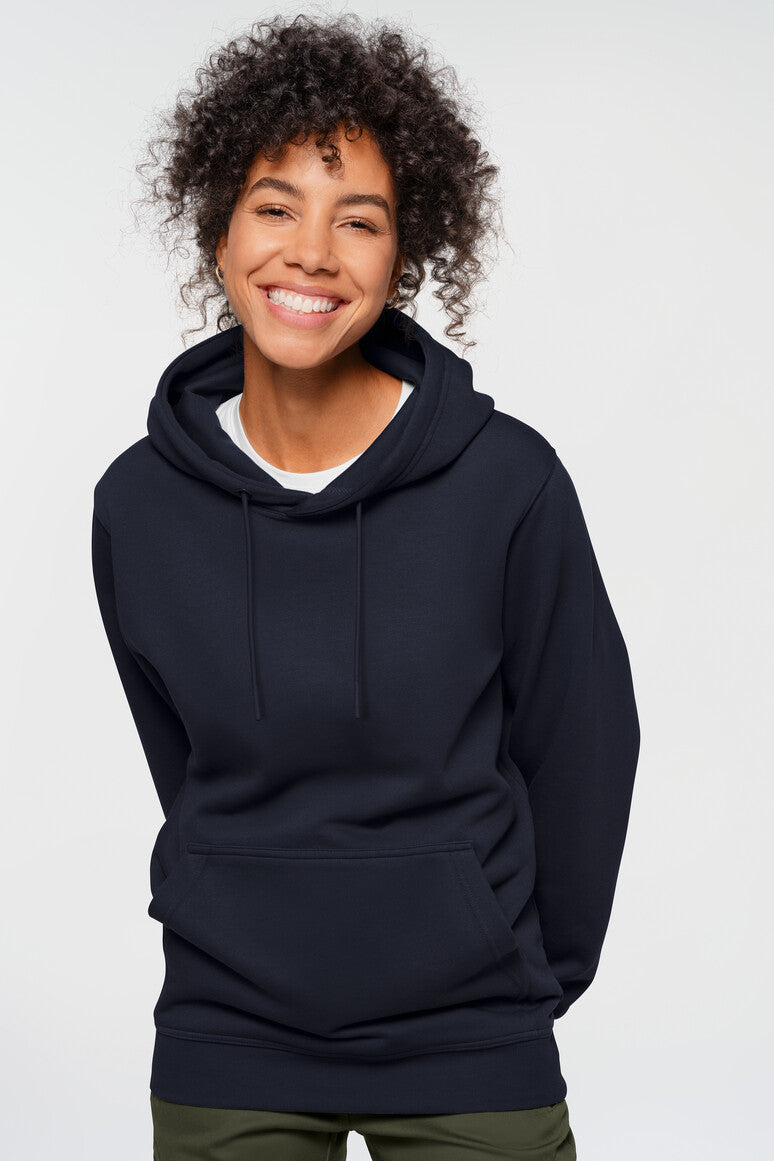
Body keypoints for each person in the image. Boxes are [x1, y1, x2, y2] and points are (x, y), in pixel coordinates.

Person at [91, 13, 640, 1160]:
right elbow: (185, 765)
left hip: (469, 1034)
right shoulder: (139, 504)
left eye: (359, 220)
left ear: (403, 258)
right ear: (220, 230)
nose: (311, 253)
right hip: (229, 1032)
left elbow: (585, 746)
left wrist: (518, 976)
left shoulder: (507, 482)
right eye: (274, 207)